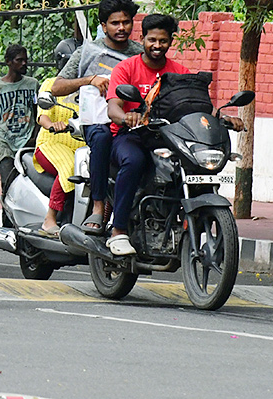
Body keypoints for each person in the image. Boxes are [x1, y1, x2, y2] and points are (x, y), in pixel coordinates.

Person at [104, 14, 245, 255]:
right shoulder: (126, 68)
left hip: (169, 137)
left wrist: (223, 119)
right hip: (133, 135)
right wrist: (127, 116)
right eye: (152, 40)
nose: (157, 46)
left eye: (163, 41)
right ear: (142, 39)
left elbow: (197, 107)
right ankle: (119, 231)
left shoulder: (179, 74)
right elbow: (113, 107)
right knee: (134, 160)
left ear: (171, 41)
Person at [50, 0, 143, 230]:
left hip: (132, 122)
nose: (121, 28)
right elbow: (57, 87)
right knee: (101, 138)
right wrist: (89, 80)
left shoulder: (139, 54)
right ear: (103, 26)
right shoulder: (88, 51)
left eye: (126, 22)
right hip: (97, 121)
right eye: (115, 23)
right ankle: (98, 206)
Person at [33, 77, 84, 237]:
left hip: (83, 147)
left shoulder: (92, 86)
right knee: (70, 166)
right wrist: (52, 125)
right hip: (52, 143)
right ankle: (50, 218)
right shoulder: (52, 84)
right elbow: (43, 116)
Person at [0, 44, 39, 195]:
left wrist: (34, 137)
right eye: (19, 60)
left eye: (25, 60)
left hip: (27, 142)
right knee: (8, 184)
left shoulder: (32, 85)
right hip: (5, 143)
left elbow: (38, 114)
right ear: (8, 61)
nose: (24, 64)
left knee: (29, 186)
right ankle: (6, 218)